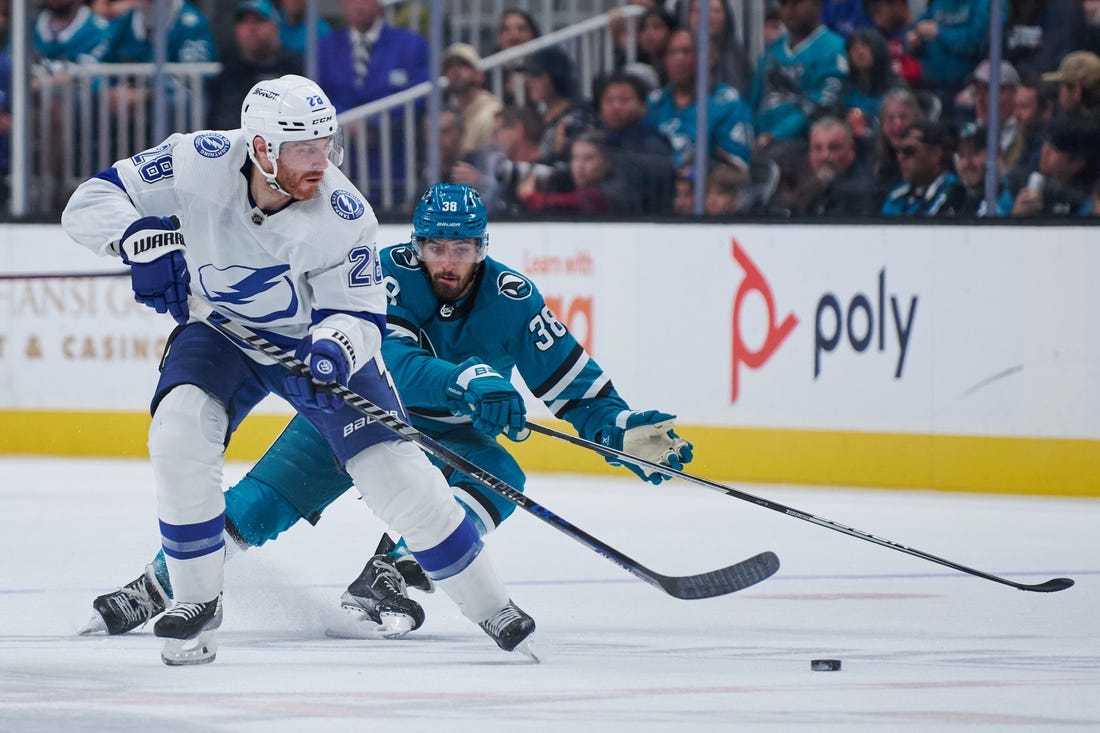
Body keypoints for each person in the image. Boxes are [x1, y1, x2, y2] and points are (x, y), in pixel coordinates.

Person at [80, 181, 693, 648]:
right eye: (435, 247)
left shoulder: (514, 299)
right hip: (354, 413)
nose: (446, 261)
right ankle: (156, 586)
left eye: (461, 248)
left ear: (483, 249)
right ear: (417, 244)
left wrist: (617, 429)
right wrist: (466, 380)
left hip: (450, 438)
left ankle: (393, 569)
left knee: (502, 475)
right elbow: (388, 359)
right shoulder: (385, 270)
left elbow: (574, 387)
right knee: (258, 508)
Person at [62, 76, 535, 665]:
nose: (321, 162)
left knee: (398, 476)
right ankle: (196, 603)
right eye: (305, 149)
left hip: (315, 346)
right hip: (220, 332)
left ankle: (492, 606)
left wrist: (335, 347)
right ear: (261, 148)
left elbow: (361, 315)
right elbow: (91, 201)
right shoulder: (197, 160)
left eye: (326, 145)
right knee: (178, 432)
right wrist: (137, 240)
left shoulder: (343, 214)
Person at [646, 28, 754, 174]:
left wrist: (690, 176)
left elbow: (735, 168)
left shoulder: (728, 103)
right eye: (672, 52)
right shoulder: (654, 102)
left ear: (709, 58)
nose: (679, 58)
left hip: (704, 185)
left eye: (687, 51)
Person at [206, 0, 302, 131]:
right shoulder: (227, 71)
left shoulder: (294, 68)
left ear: (275, 26)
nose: (251, 28)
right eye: (244, 22)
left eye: (260, 21)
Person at [880, 120, 967, 216]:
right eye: (898, 151)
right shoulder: (896, 195)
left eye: (909, 151)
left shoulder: (955, 192)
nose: (900, 158)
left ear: (935, 153)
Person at [442, 43, 503, 158]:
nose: (455, 71)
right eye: (449, 66)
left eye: (463, 65)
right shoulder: (450, 114)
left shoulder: (491, 111)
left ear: (479, 75)